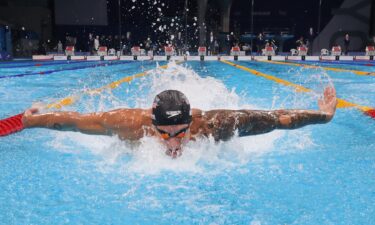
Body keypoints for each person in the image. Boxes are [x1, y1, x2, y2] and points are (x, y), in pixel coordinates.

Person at [20, 88, 337, 158]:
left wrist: (324, 116)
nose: (174, 143)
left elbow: (278, 119)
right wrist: (32, 121)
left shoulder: (212, 126)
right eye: (165, 134)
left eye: (181, 133)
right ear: (151, 123)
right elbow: (73, 122)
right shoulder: (129, 124)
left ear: (192, 122)